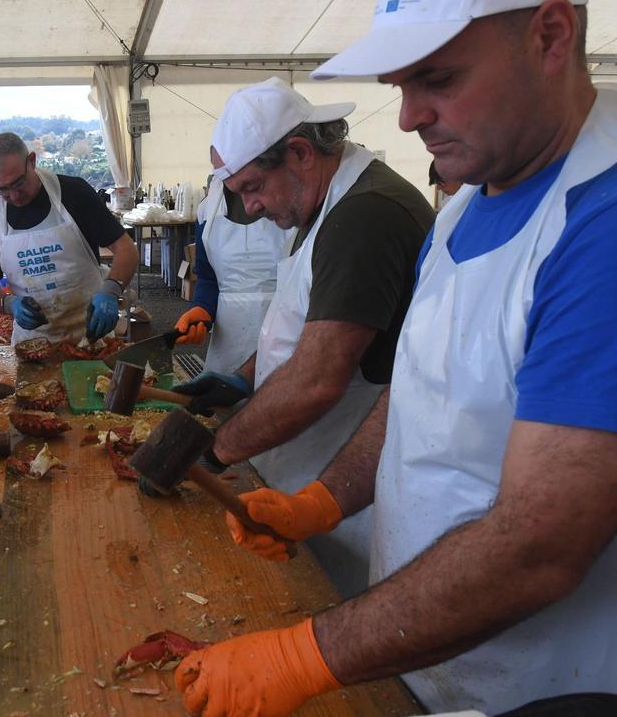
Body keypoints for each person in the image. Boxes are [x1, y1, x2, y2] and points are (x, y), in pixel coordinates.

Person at [174, 0, 617, 715]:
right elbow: (417, 394)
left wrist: (307, 651)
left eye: (438, 78)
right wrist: (324, 501)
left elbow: (542, 545)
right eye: (400, 86)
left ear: (550, 36)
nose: (407, 118)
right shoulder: (468, 201)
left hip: (551, 685)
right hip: (428, 656)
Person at [172, 78, 433, 597]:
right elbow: (302, 326)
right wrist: (243, 378)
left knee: (323, 605)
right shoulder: (325, 202)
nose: (250, 208)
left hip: (343, 481)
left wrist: (214, 451)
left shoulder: (363, 217)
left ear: (300, 153)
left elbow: (317, 379)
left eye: (253, 188)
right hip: (307, 462)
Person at [0, 132, 137, 343]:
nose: (13, 196)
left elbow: (125, 249)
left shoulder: (74, 194)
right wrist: (9, 304)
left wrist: (111, 290)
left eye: (18, 183)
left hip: (91, 335)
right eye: (1, 189)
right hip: (33, 343)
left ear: (32, 161)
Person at [172, 182, 288, 373]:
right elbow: (208, 276)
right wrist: (202, 308)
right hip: (228, 344)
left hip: (286, 337)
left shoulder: (296, 201)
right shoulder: (208, 209)